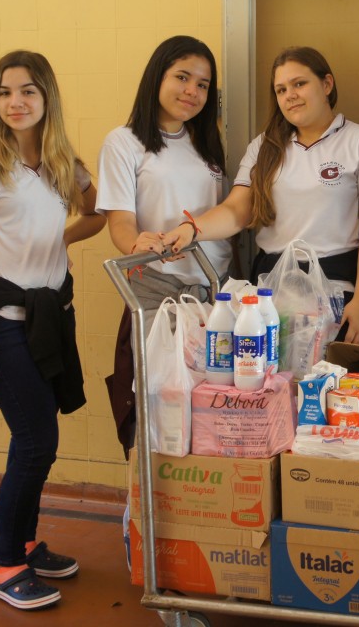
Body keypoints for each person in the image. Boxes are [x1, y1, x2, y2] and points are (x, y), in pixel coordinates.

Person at [0, 50, 104, 610]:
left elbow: (98, 212)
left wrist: (60, 241)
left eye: (28, 91)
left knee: (41, 437)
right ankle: (6, 564)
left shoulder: (61, 161)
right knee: (36, 439)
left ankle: (28, 543)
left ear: (47, 98)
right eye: (4, 91)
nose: (15, 102)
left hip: (48, 319)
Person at [160, 46, 359, 345]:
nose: (290, 95)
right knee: (273, 382)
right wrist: (191, 229)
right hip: (271, 291)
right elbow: (236, 210)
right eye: (281, 90)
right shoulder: (265, 146)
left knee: (328, 386)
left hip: (337, 288)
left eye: (299, 84)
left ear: (326, 84)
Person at [97, 35, 231, 455]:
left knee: (210, 414)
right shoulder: (123, 142)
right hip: (159, 292)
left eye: (203, 85)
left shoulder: (206, 142)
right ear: (158, 76)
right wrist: (136, 241)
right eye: (182, 77)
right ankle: (145, 514)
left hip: (216, 292)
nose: (192, 91)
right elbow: (119, 221)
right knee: (159, 412)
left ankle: (199, 508)